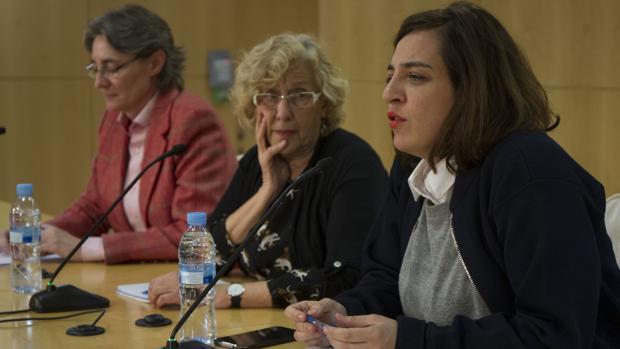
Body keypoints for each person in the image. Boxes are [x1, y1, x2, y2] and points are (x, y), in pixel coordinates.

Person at [285, 2, 620, 348]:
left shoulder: (530, 173)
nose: (389, 93)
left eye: (414, 77)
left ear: (473, 88)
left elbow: (555, 336)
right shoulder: (412, 168)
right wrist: (343, 314)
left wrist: (410, 341)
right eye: (390, 77)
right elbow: (387, 279)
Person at [148, 33, 388, 309]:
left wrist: (232, 295)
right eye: (269, 97)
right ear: (255, 106)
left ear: (324, 104)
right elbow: (210, 253)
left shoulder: (353, 164)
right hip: (254, 323)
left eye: (299, 96)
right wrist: (267, 191)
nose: (283, 112)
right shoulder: (256, 162)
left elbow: (346, 277)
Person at [0, 5, 237, 264]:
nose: (99, 82)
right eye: (95, 68)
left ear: (155, 63)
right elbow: (95, 207)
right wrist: (39, 235)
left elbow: (191, 234)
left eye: (111, 68)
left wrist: (88, 248)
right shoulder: (115, 118)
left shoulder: (192, 121)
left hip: (184, 280)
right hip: (133, 277)